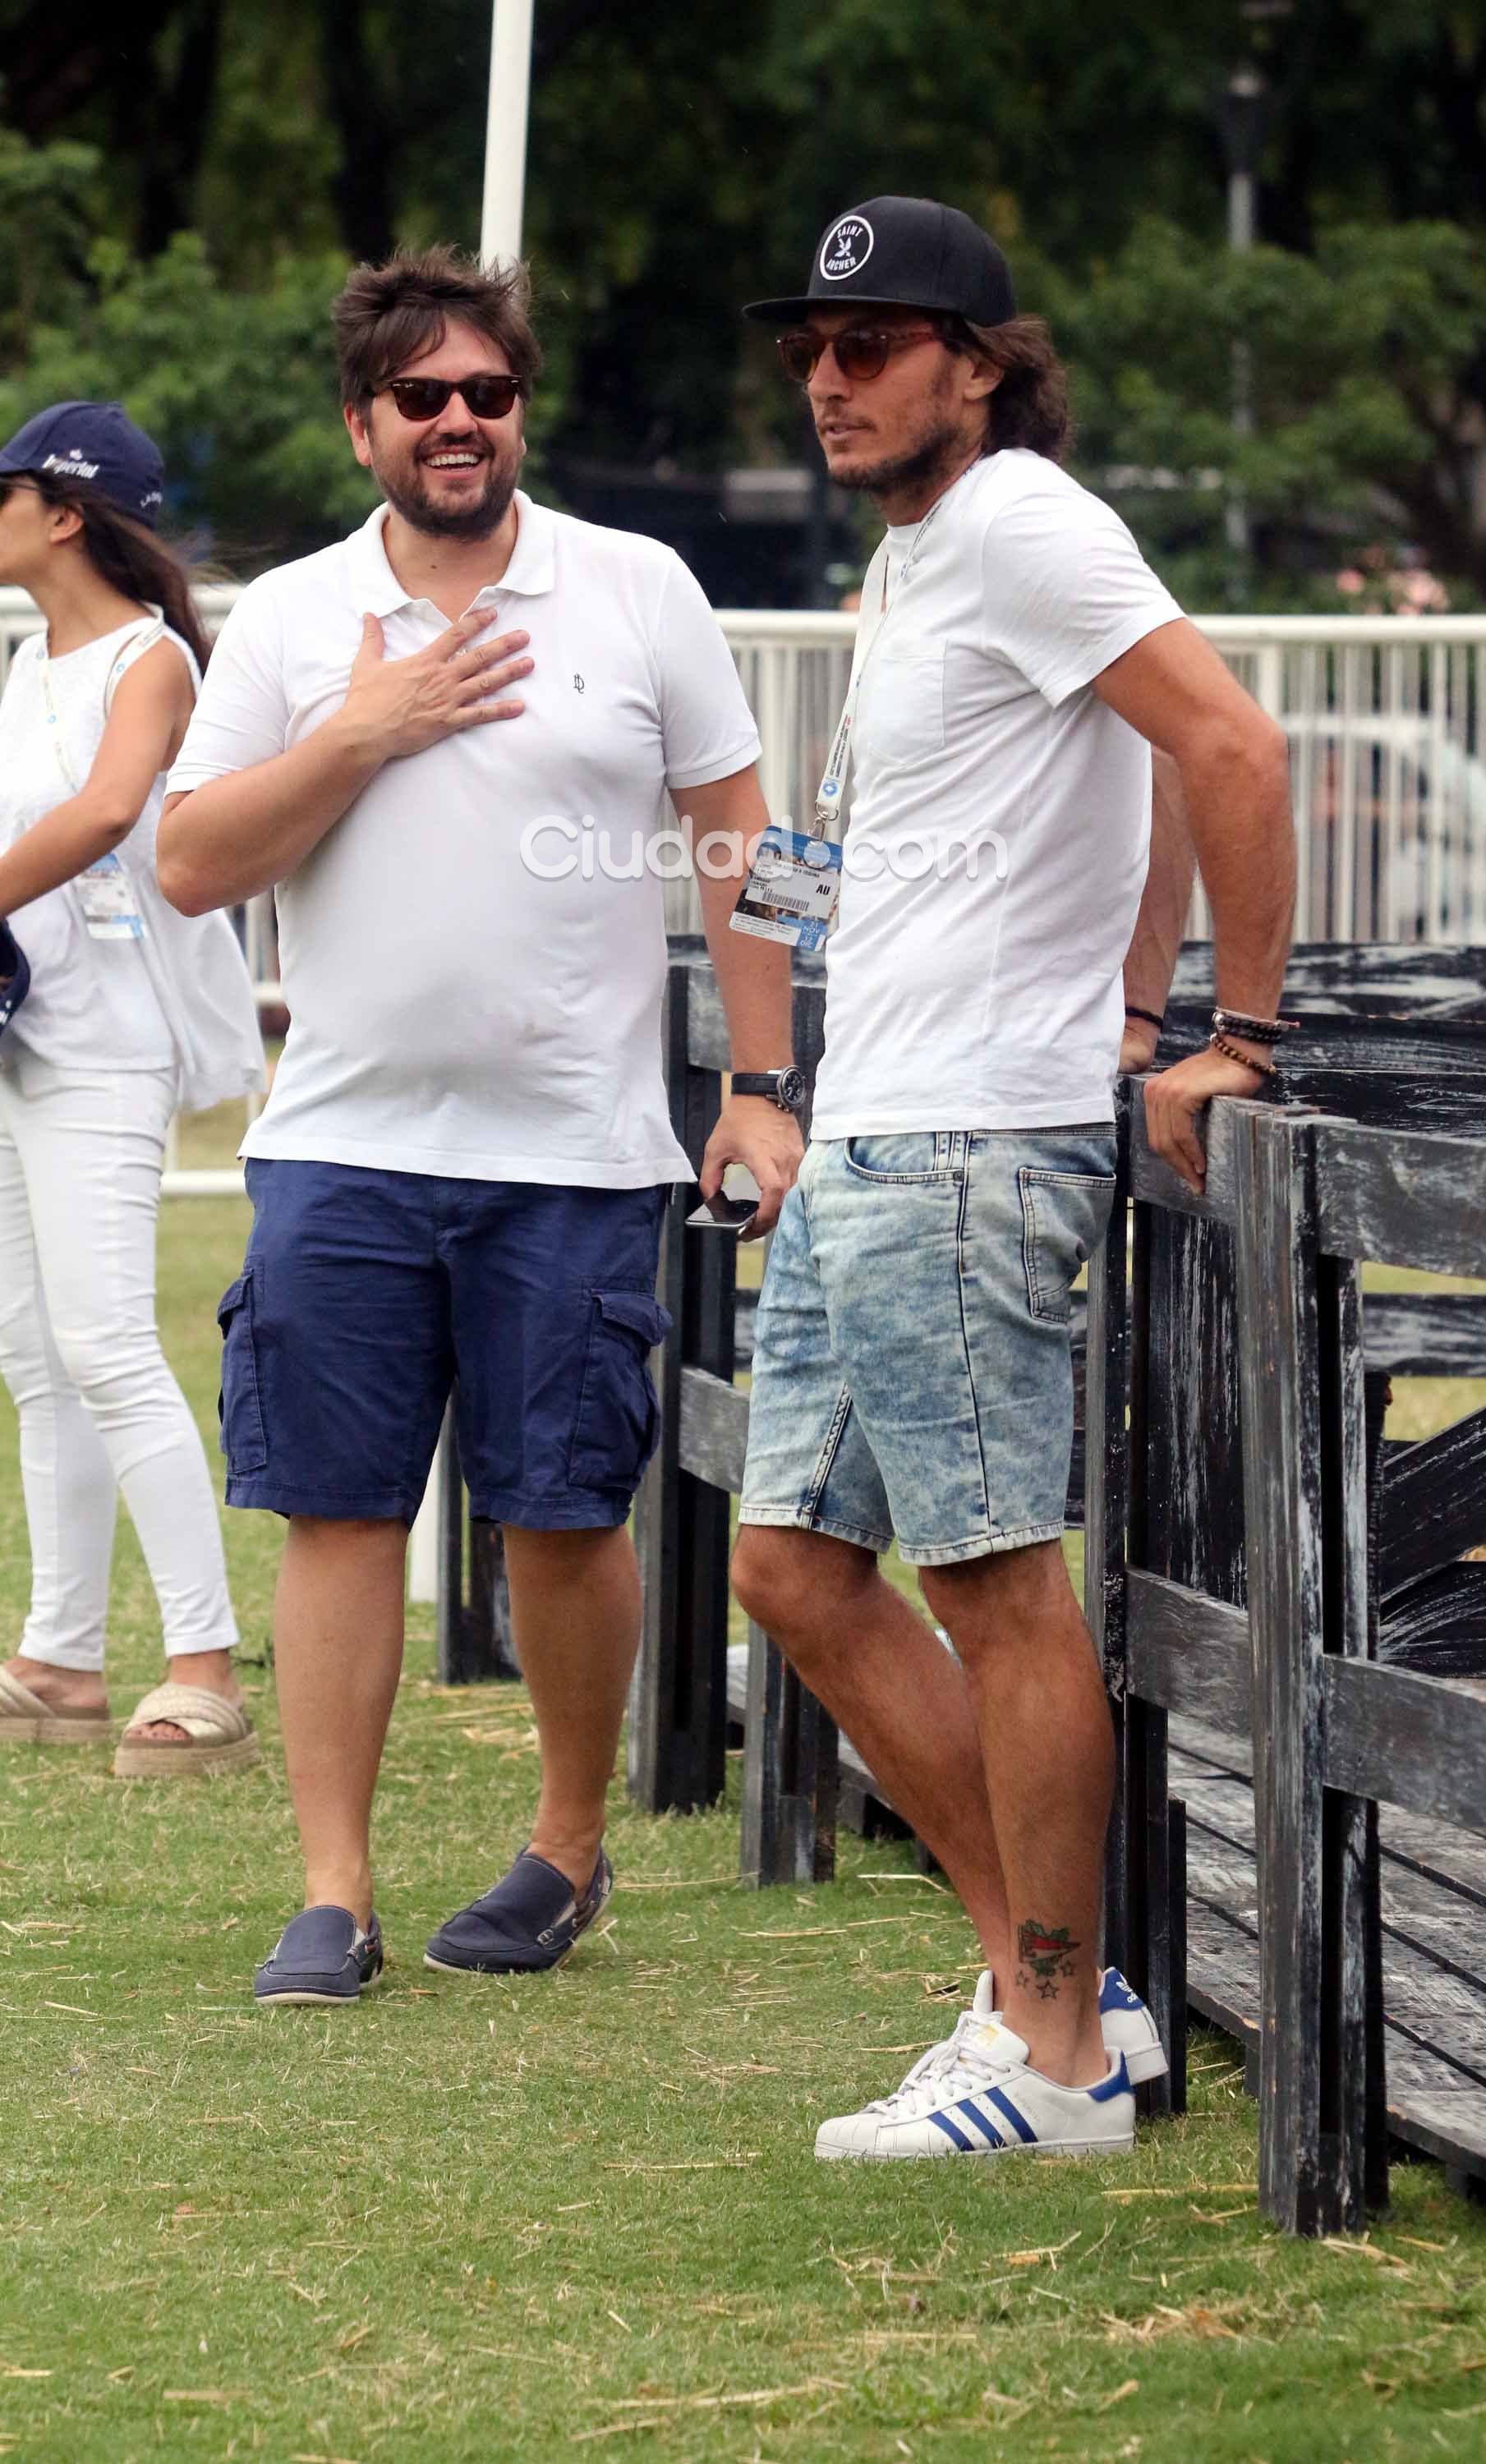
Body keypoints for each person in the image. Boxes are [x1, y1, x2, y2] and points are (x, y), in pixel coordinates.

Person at [158, 246, 803, 2007]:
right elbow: (196, 861)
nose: (459, 422)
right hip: (344, 1148)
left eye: (488, 394)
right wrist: (365, 728)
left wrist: (759, 1088)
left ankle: (565, 1850)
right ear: (363, 423)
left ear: (523, 408)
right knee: (337, 1509)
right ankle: (333, 1895)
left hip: (579, 1149)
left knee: (562, 1514)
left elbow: (748, 853)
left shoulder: (640, 590)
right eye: (423, 398)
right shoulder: (291, 618)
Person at [730, 199, 1295, 2159]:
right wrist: (1127, 1002)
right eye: (812, 346)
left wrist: (1235, 1033)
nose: (829, 376)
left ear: (975, 363)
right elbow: (1124, 780)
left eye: (874, 342)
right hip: (878, 1127)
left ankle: (1055, 2063)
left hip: (970, 1142)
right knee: (788, 1566)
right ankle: (1059, 1994)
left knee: (997, 1593)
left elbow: (1226, 742)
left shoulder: (1029, 522)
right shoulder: (922, 563)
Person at [0, 402, 265, 1774]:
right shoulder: (29, 657)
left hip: (109, 1037)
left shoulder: (150, 659)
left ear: (65, 510)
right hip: (20, 1029)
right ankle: (59, 1659)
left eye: (5, 488)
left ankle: (207, 1665)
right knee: (34, 1350)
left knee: (105, 1343)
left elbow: (107, 813)